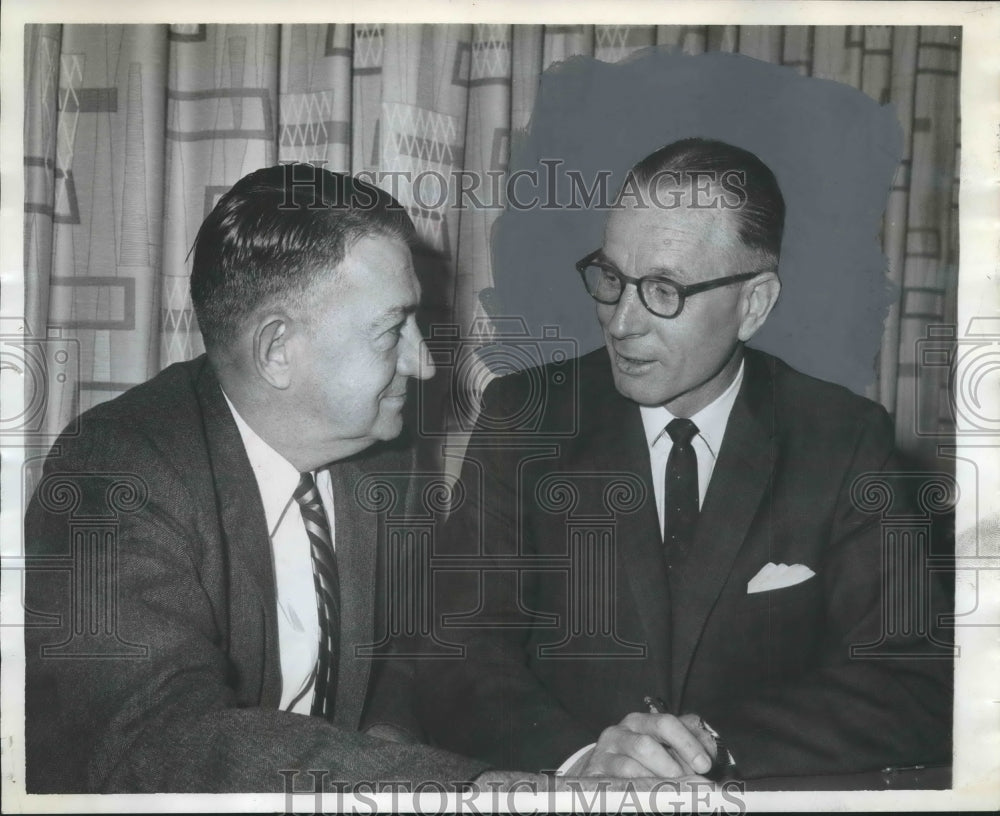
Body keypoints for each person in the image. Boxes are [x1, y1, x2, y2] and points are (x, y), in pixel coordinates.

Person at [415, 138, 953, 782]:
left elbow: (913, 676)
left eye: (663, 289)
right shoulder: (522, 416)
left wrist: (716, 748)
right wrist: (583, 763)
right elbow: (454, 651)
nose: (621, 322)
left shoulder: (843, 439)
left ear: (753, 304)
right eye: (611, 279)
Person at [22, 165, 495, 792]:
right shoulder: (111, 473)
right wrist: (480, 792)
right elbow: (159, 739)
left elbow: (404, 648)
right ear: (277, 351)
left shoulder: (386, 453)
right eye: (391, 331)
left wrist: (387, 742)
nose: (425, 362)